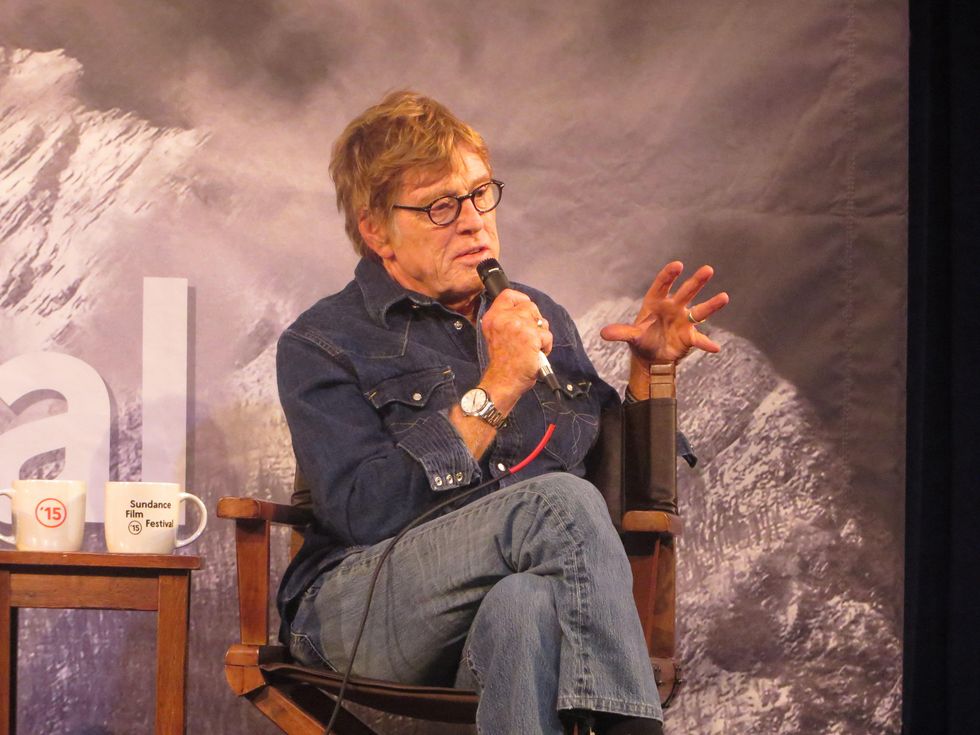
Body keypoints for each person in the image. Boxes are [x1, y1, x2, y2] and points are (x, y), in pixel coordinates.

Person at [276, 90, 729, 734]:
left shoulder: (536, 316)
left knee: (527, 604)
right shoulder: (322, 341)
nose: (472, 221)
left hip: (487, 621)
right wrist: (496, 389)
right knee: (555, 503)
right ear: (377, 228)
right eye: (439, 206)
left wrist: (649, 372)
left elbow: (607, 505)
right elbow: (365, 512)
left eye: (481, 194)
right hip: (361, 610)